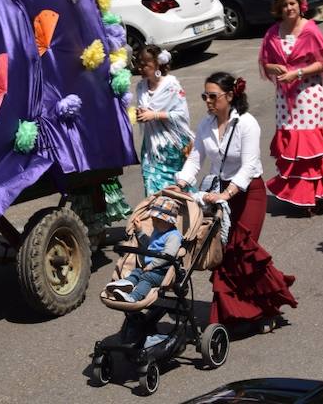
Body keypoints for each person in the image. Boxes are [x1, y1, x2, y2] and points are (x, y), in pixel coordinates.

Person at [175, 72, 297, 330]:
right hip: (220, 196)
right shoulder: (206, 125)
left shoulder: (247, 123)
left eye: (212, 96)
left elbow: (249, 165)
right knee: (223, 256)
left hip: (248, 194)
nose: (207, 101)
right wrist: (181, 182)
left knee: (243, 252)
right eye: (204, 96)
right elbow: (195, 159)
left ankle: (267, 309)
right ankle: (234, 315)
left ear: (230, 96)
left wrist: (227, 194)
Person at [259, 0, 323, 212]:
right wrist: (274, 67)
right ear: (279, 7)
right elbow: (265, 64)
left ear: (300, 4)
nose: (289, 8)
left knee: (310, 146)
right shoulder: (273, 33)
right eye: (285, 4)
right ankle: (298, 193)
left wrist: (297, 72)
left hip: (308, 95)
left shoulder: (310, 29)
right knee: (292, 146)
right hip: (284, 98)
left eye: (292, 4)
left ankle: (315, 193)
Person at [134, 45, 192, 195]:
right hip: (152, 148)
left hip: (172, 147)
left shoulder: (171, 86)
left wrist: (155, 115)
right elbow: (145, 110)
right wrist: (140, 114)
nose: (140, 68)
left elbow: (182, 114)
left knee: (178, 190)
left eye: (145, 64)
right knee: (152, 187)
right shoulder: (141, 87)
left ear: (157, 64)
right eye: (138, 63)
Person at [105, 196, 182, 302]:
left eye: (158, 221)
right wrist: (140, 231)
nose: (154, 223)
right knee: (137, 272)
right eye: (153, 220)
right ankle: (126, 284)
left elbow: (168, 255)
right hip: (149, 268)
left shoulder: (173, 236)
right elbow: (149, 246)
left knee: (147, 278)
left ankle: (133, 297)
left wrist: (151, 266)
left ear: (170, 222)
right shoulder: (158, 231)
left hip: (163, 272)